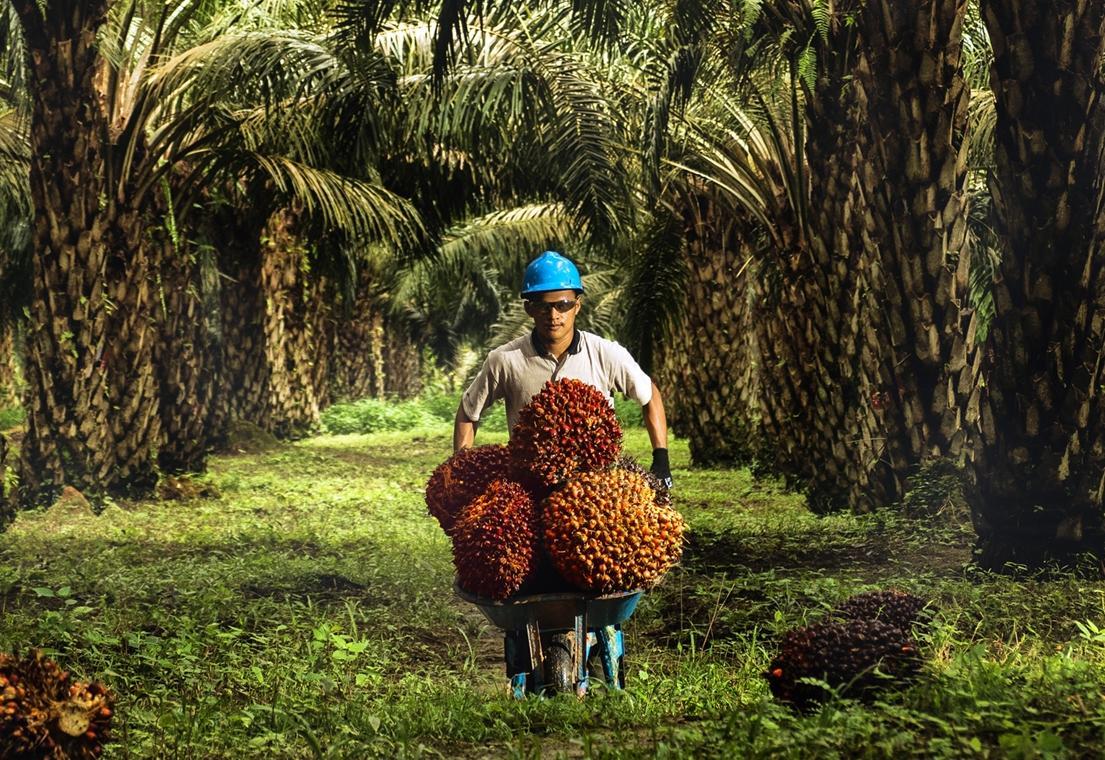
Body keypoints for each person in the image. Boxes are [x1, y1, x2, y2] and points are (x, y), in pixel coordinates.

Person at [453, 250, 672, 488]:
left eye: (563, 305)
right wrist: (461, 467)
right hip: (530, 486)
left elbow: (650, 395)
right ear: (529, 309)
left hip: (596, 487)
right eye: (543, 306)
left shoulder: (605, 353)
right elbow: (468, 411)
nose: (554, 315)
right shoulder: (505, 360)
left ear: (577, 306)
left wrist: (661, 459)